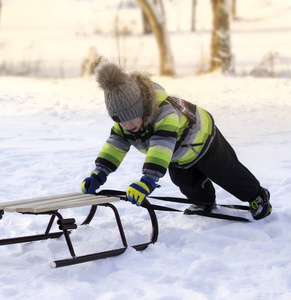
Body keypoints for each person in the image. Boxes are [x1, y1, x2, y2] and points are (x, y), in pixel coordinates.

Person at [81, 62, 272, 220]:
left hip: (203, 139)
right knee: (183, 179)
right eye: (120, 121)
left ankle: (257, 196)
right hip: (178, 153)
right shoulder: (125, 126)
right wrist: (99, 173)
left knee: (225, 172)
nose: (127, 125)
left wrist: (148, 181)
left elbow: (160, 147)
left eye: (131, 119)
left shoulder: (165, 114)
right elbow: (114, 146)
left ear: (142, 109)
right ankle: (204, 202)